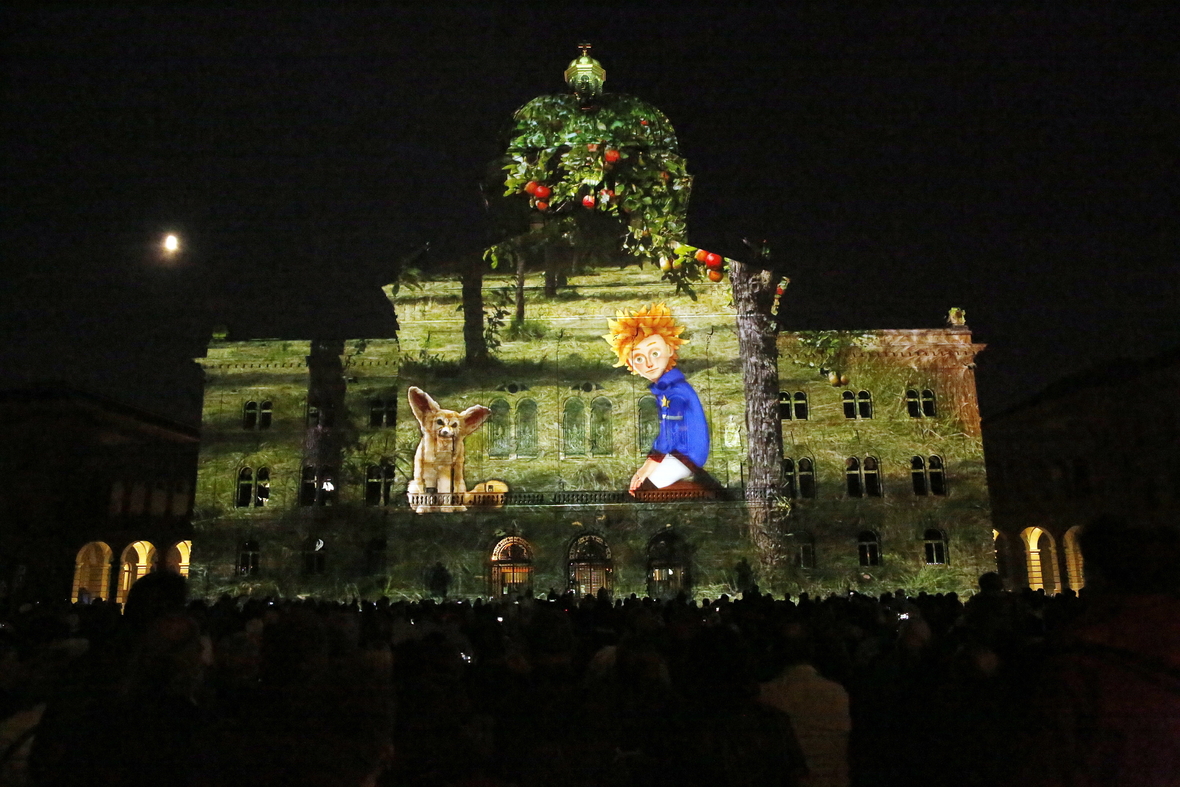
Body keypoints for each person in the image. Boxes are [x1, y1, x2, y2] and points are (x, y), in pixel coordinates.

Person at [604, 303, 711, 495]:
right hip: (679, 452)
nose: (649, 363)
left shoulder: (675, 391)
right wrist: (649, 464)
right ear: (630, 363)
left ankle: (706, 491)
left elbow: (670, 436)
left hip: (687, 454)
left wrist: (649, 465)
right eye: (638, 359)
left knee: (644, 492)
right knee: (642, 485)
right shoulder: (666, 388)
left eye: (654, 353)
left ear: (670, 349)